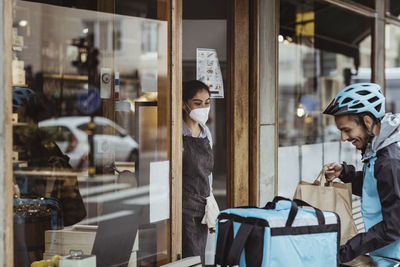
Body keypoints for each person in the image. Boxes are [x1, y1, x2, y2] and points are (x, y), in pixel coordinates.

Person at [323, 82, 400, 266]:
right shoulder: (379, 151)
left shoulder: (389, 161)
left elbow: (394, 226)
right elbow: (377, 188)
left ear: (367, 121)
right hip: (384, 257)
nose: (343, 138)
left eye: (347, 130)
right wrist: (346, 174)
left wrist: (345, 251)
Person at [182, 80, 216, 265]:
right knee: (191, 259)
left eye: (207, 102)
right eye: (197, 103)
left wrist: (211, 210)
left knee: (199, 258)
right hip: (184, 209)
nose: (204, 107)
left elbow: (208, 175)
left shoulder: (206, 133)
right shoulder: (176, 133)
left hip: (202, 208)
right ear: (184, 104)